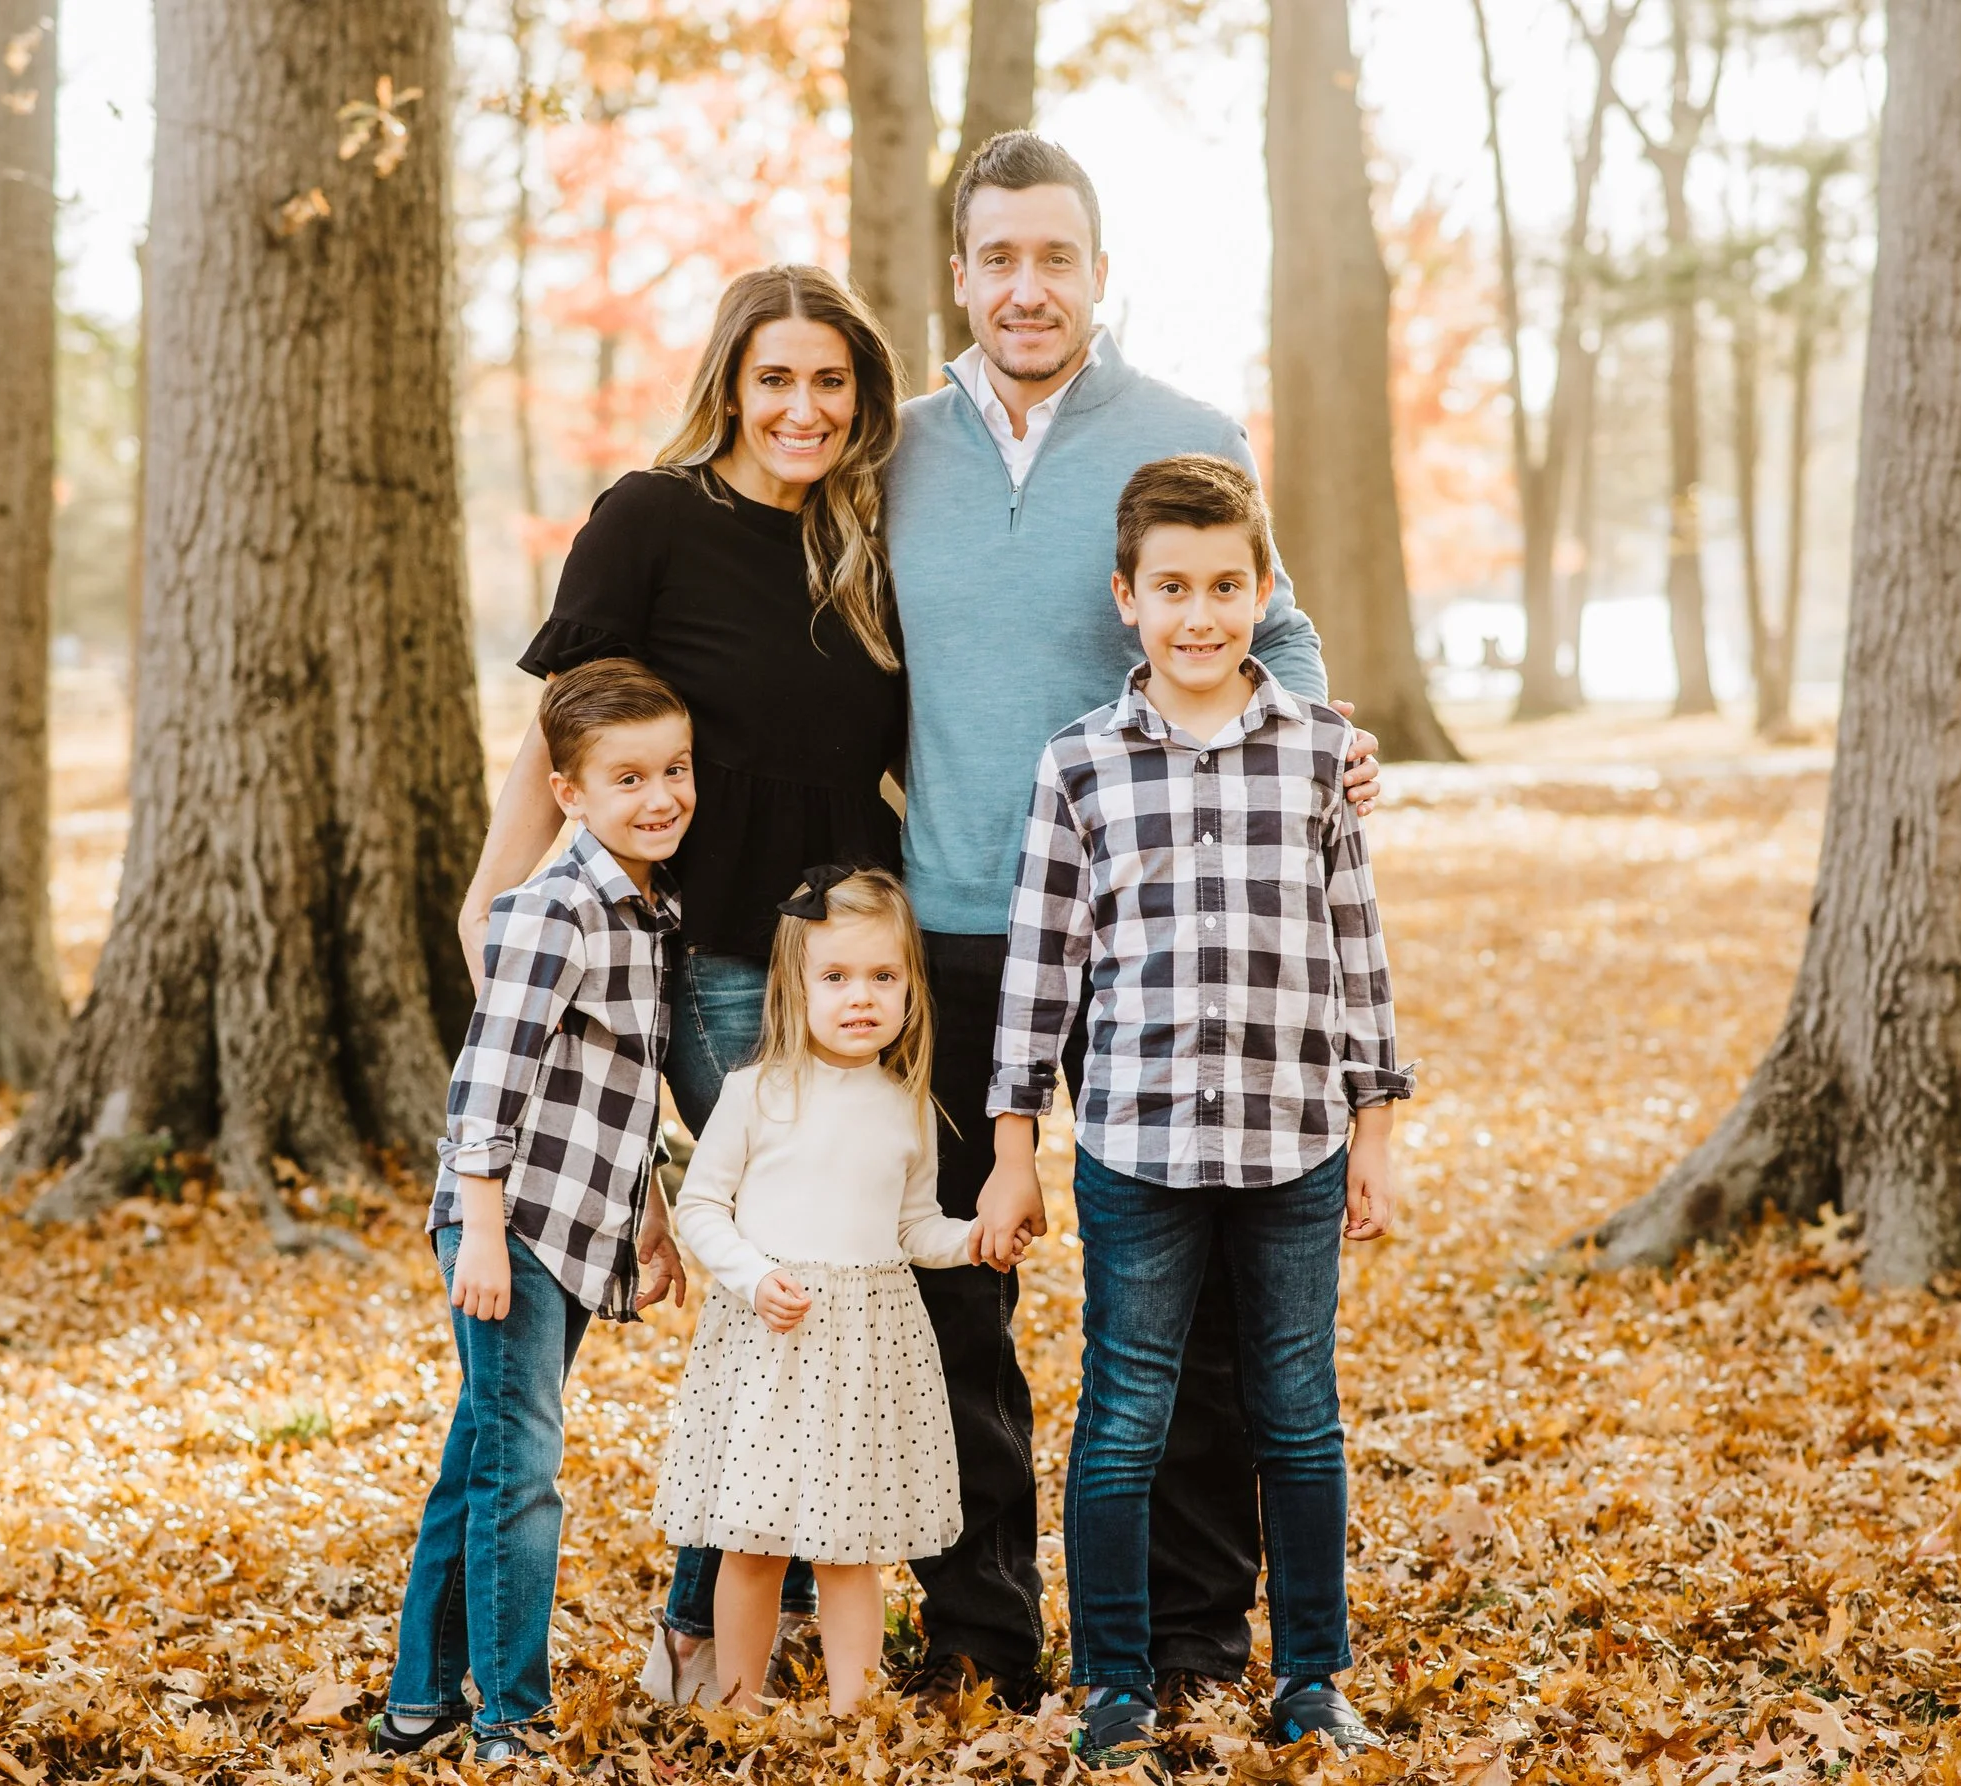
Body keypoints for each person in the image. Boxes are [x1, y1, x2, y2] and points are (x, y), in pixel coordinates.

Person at [882, 130, 1383, 1707]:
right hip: (955, 927)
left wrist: (1317, 747)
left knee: (1207, 1325)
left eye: (1056, 257)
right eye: (999, 258)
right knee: (961, 1293)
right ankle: (985, 1628)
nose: (1027, 287)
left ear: (1100, 271)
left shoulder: (1187, 431)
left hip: (1162, 933)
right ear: (960, 275)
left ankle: (1189, 1635)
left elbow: (1275, 631)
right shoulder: (892, 452)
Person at [454, 264, 910, 1702]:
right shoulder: (651, 517)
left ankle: (752, 1614)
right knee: (774, 1270)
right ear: (730, 383)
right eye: (775, 378)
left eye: (829, 380)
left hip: (850, 972)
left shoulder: (863, 536)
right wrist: (493, 894)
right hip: (715, 968)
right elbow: (568, 726)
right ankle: (699, 1633)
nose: (802, 407)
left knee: (838, 1273)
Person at [981, 456, 1412, 1763]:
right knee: (1125, 1417)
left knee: (1298, 1417)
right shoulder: (1081, 763)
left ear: (1264, 589)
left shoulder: (1322, 753)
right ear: (1127, 597)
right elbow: (1041, 964)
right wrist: (1012, 1147)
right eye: (1171, 588)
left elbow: (1357, 948)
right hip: (1137, 1144)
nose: (1200, 614)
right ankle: (1114, 1680)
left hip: (1293, 1142)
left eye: (1226, 586)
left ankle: (1314, 1676)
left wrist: (1376, 1130)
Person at [375, 659, 695, 1761]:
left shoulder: (650, 907)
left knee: (481, 1456)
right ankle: (512, 1718)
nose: (660, 796)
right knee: (522, 1475)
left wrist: (650, 1214)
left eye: (674, 769)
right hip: (511, 1227)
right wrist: (479, 1228)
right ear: (568, 793)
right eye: (627, 778)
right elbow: (487, 1077)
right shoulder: (554, 909)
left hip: (572, 1221)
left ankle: (419, 1699)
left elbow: (618, 1087)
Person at [652, 867, 973, 1715]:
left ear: (910, 987)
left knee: (848, 1547)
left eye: (883, 976)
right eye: (835, 976)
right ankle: (737, 1702)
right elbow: (702, 1206)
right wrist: (755, 1277)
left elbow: (914, 1227)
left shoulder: (907, 1104)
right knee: (752, 1542)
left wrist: (972, 1240)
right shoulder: (756, 1092)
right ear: (796, 987)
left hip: (865, 1350)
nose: (860, 996)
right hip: (772, 1345)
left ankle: (851, 1712)